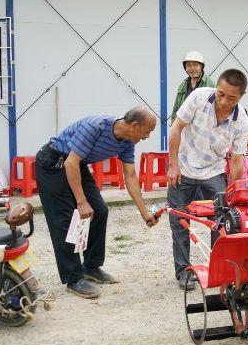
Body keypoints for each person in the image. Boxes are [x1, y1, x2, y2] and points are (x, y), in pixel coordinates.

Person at [35, 108, 159, 299]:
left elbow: (131, 176)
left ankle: (90, 267)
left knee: (99, 211)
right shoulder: (96, 127)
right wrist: (81, 202)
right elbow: (70, 163)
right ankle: (73, 278)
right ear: (135, 126)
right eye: (147, 131)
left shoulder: (127, 141)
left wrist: (144, 212)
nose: (148, 136)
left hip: (76, 164)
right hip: (53, 163)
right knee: (66, 220)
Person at [167, 68, 248, 290]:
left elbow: (236, 160)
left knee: (222, 220)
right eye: (221, 93)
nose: (223, 101)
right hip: (183, 169)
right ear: (217, 87)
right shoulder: (198, 96)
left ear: (241, 96)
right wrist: (173, 165)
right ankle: (184, 271)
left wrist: (233, 192)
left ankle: (218, 267)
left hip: (212, 172)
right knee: (180, 221)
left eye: (231, 97)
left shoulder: (241, 118)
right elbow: (176, 129)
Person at [169, 51, 216, 125]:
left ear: (201, 66)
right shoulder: (183, 85)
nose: (192, 68)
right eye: (189, 65)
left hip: (202, 128)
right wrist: (174, 125)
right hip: (184, 127)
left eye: (195, 65)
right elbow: (176, 109)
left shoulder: (210, 85)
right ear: (185, 68)